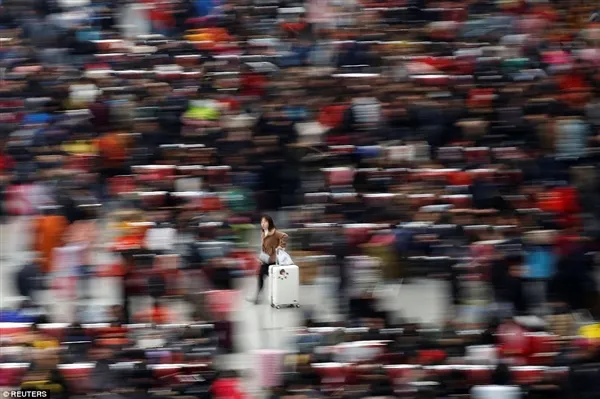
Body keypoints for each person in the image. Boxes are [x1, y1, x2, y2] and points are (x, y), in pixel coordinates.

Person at [251, 215, 288, 304]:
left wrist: (280, 246)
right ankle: (258, 297)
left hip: (274, 261)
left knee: (276, 279)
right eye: (262, 222)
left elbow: (284, 236)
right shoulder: (263, 233)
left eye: (265, 222)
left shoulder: (274, 233)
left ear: (269, 223)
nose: (263, 224)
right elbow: (264, 248)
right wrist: (261, 257)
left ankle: (280, 297)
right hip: (265, 260)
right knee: (260, 276)